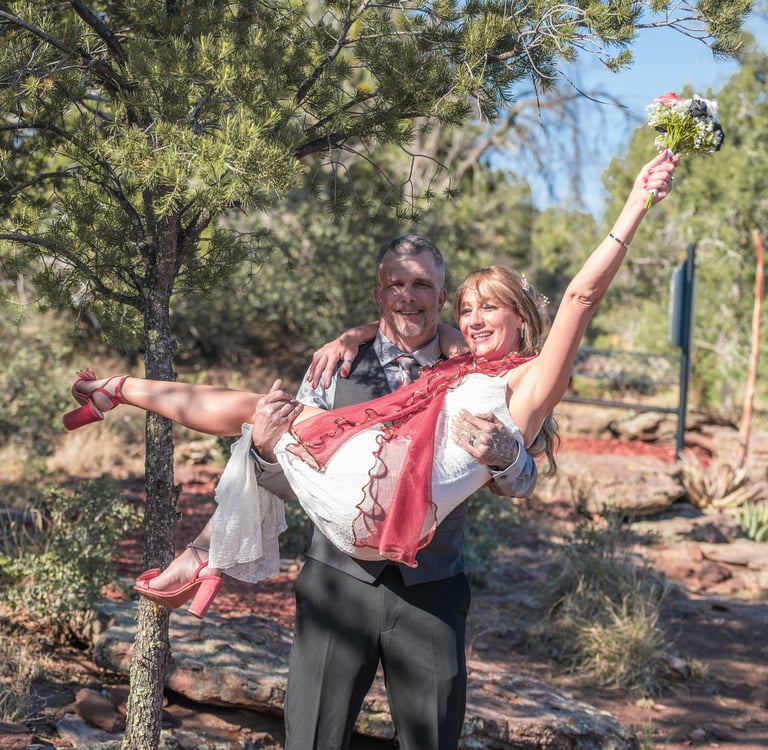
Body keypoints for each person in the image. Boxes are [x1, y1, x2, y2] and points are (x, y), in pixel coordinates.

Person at [65, 149, 677, 749]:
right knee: (260, 417)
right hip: (342, 570)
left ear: (517, 317)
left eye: (484, 306)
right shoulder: (372, 362)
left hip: (428, 586)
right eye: (468, 308)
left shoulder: (529, 383)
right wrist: (285, 422)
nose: (473, 317)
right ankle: (121, 394)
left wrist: (635, 203)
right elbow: (283, 467)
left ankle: (202, 554)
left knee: (431, 739)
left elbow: (577, 301)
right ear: (381, 294)